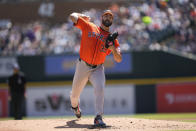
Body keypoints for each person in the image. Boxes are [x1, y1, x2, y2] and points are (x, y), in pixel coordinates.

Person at [69, 10, 122, 127]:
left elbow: (118, 59)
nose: (108, 17)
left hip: (98, 68)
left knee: (100, 88)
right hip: (83, 65)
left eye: (110, 17)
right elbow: (72, 16)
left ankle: (98, 117)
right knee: (74, 96)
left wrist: (112, 47)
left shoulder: (113, 39)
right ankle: (75, 107)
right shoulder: (89, 26)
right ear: (102, 17)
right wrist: (82, 16)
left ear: (112, 21)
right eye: (106, 15)